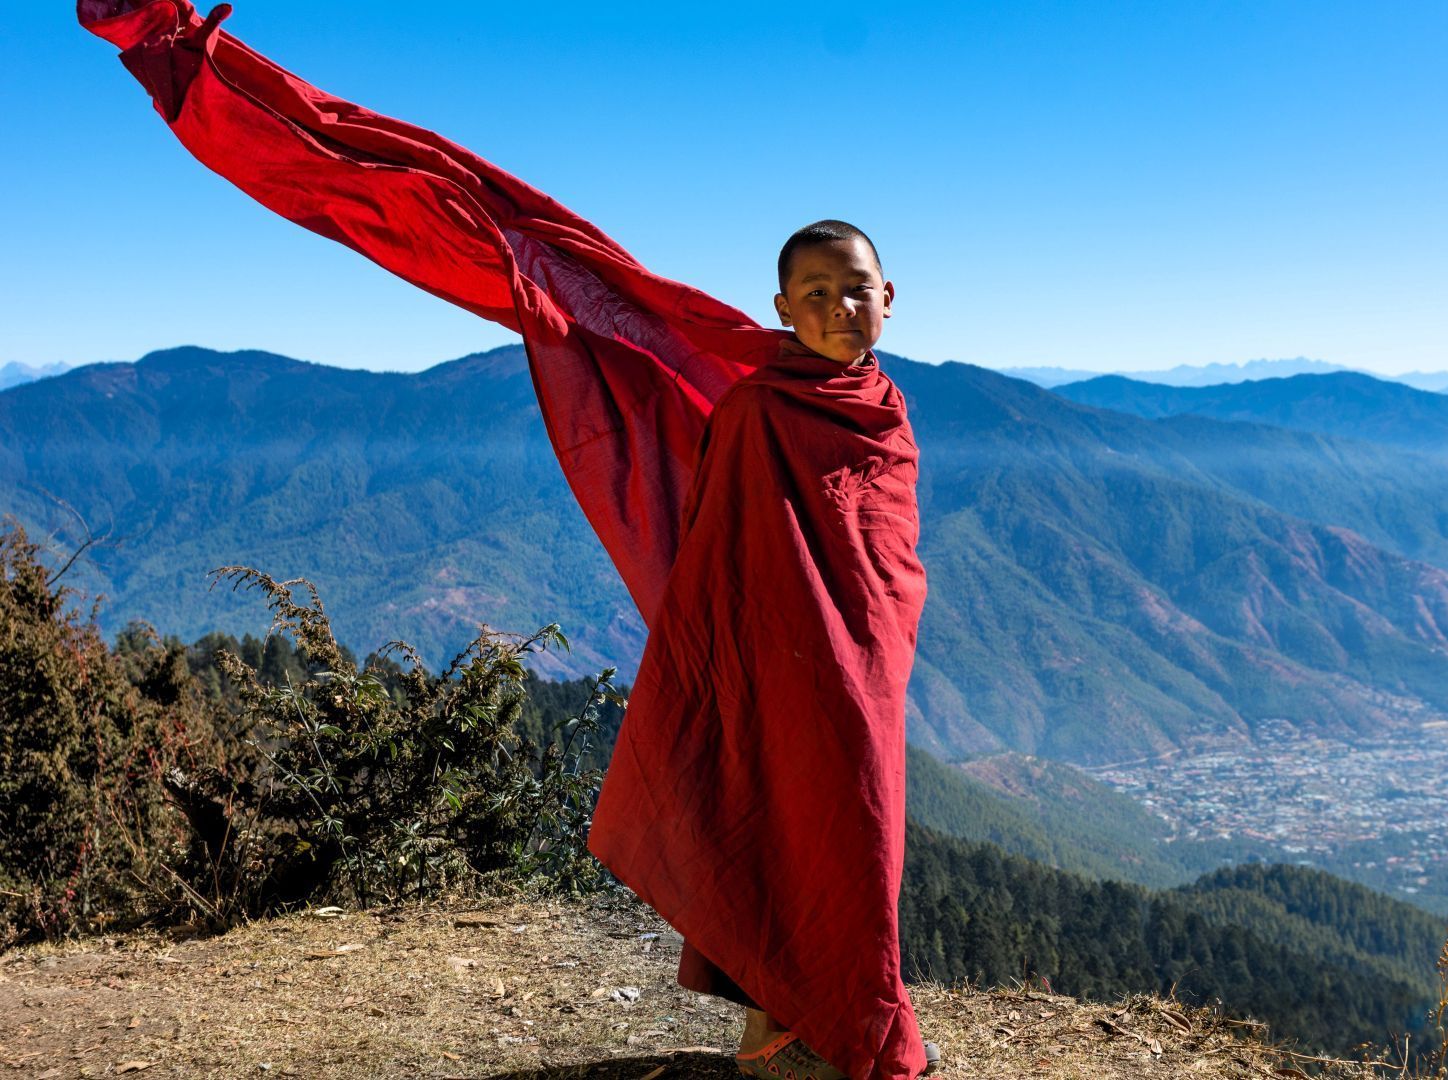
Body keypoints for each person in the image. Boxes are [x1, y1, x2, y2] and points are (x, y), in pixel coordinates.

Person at [77, 3, 937, 1078]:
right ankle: (810, 1029)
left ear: (889, 298)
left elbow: (879, 558)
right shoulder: (760, 403)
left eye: (856, 288)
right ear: (781, 305)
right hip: (785, 663)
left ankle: (809, 1018)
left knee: (859, 833)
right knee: (814, 828)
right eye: (815, 293)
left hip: (862, 668)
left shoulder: (885, 408)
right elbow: (722, 529)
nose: (839, 306)